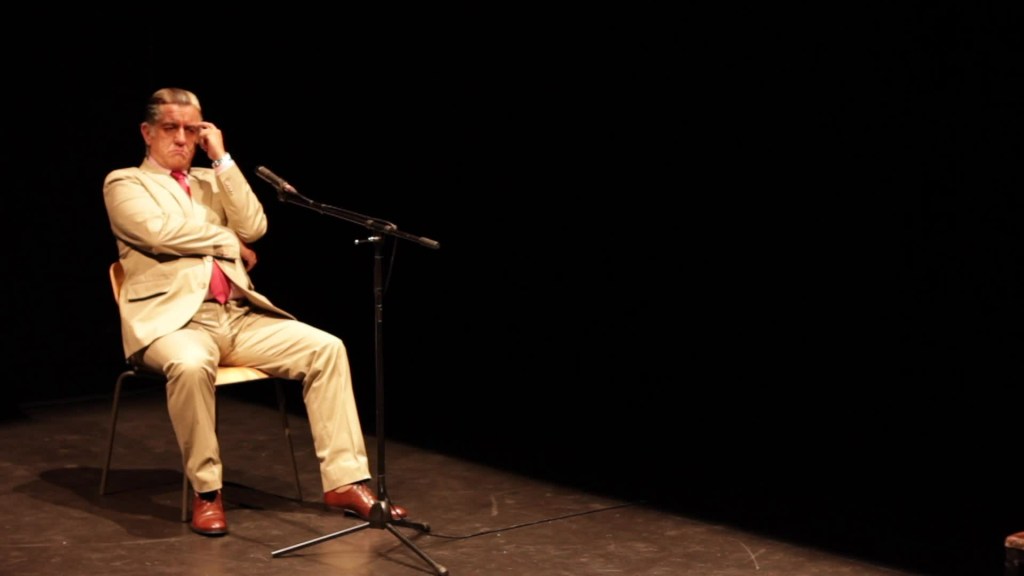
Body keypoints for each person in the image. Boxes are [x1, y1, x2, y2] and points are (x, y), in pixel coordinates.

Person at [102, 87, 407, 537]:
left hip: (236, 318)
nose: (182, 139)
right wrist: (227, 242)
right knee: (190, 365)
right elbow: (157, 232)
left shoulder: (211, 180)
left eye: (192, 130)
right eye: (170, 129)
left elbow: (254, 226)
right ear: (147, 133)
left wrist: (222, 160)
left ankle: (345, 482)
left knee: (326, 349)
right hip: (173, 324)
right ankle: (208, 492)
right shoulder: (125, 183)